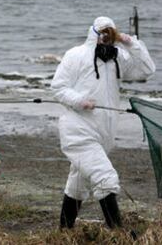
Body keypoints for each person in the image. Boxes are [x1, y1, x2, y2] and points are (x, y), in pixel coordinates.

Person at [51, 16, 155, 229]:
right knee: (105, 178)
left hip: (103, 134)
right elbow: (58, 88)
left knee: (78, 184)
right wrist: (80, 101)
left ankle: (64, 231)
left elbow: (146, 70)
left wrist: (129, 42)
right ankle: (119, 234)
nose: (106, 39)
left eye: (111, 34)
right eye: (103, 33)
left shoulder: (117, 59)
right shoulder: (76, 55)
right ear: (94, 34)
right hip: (78, 132)